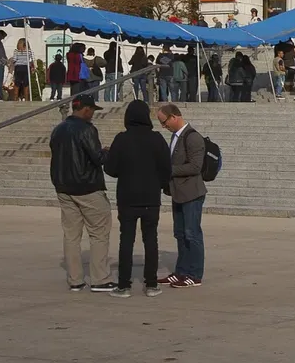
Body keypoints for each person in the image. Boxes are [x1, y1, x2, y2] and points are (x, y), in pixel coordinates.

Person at [104, 99, 171, 298]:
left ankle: (124, 285)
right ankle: (151, 284)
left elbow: (111, 169)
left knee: (127, 240)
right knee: (151, 239)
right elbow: (166, 169)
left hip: (127, 197)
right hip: (151, 198)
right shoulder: (157, 139)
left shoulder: (121, 140)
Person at [49, 93, 113, 293]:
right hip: (87, 187)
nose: (93, 113)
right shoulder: (86, 130)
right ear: (85, 109)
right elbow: (96, 157)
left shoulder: (58, 130)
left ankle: (75, 280)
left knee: (71, 235)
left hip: (64, 187)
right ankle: (100, 278)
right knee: (99, 233)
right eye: (92, 110)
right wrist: (107, 152)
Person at [156, 103, 207, 288]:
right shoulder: (175, 137)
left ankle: (195, 274)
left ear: (174, 117)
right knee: (180, 234)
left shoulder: (193, 138)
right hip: (178, 192)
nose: (164, 126)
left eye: (164, 122)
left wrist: (169, 169)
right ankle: (181, 271)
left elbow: (195, 167)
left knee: (192, 233)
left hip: (192, 193)